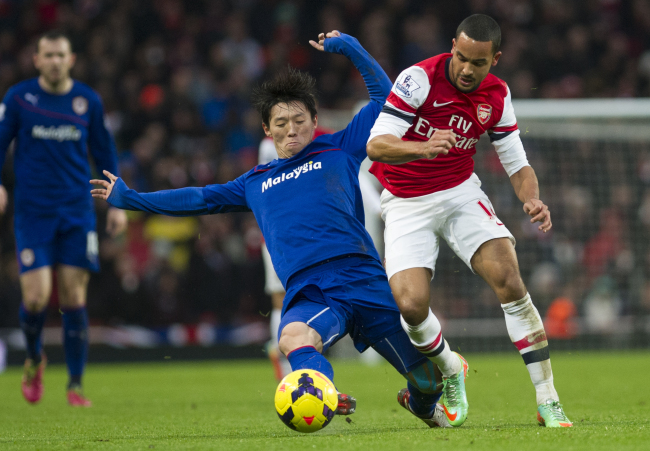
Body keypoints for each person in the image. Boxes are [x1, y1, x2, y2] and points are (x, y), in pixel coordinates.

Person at [91, 31, 464, 429]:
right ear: (267, 131)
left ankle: (421, 402)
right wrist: (131, 198)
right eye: (281, 123)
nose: (291, 131)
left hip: (365, 279)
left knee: (429, 380)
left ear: (315, 121)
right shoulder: (254, 181)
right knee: (292, 338)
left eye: (300, 121)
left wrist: (350, 47)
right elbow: (198, 198)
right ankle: (320, 390)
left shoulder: (340, 147)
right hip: (312, 290)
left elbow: (384, 100)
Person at [366, 14, 571, 427]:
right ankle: (450, 367)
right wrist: (422, 147)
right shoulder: (418, 79)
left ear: (494, 59)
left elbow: (517, 163)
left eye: (477, 62)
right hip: (406, 200)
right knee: (410, 305)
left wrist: (533, 199)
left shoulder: (497, 95)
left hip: (460, 193)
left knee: (509, 278)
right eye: (461, 57)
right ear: (453, 48)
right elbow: (376, 145)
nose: (465, 69)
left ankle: (548, 399)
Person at [0, 31, 127, 406]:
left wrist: (117, 204)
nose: (54, 61)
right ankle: (35, 357)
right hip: (32, 212)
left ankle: (74, 385)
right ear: (36, 59)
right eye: (48, 55)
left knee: (73, 296)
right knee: (37, 298)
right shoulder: (20, 98)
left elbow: (105, 154)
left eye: (61, 55)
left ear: (71, 60)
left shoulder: (87, 101)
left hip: (77, 211)